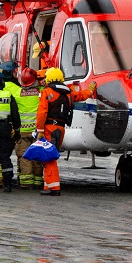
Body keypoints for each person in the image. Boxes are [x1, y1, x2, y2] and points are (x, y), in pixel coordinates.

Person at [35, 68, 96, 196]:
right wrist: (90, 91)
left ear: (50, 78)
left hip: (49, 128)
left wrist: (39, 130)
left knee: (49, 158)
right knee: (50, 156)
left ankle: (54, 187)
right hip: (61, 129)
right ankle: (48, 185)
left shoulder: (47, 92)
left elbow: (42, 113)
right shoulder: (68, 93)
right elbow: (81, 96)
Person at [8, 68, 44, 189]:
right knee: (38, 155)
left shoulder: (17, 92)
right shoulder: (41, 92)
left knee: (24, 156)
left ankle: (26, 182)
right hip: (37, 132)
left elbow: (7, 87)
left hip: (22, 131)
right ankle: (38, 180)